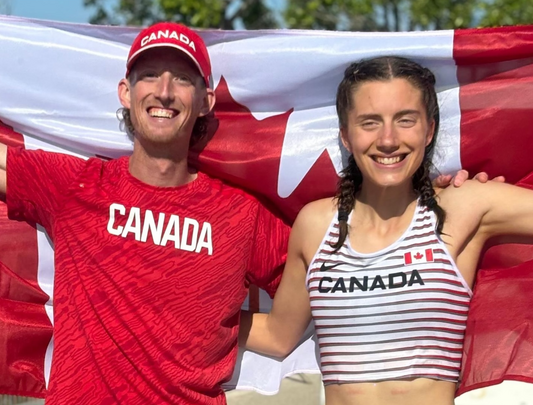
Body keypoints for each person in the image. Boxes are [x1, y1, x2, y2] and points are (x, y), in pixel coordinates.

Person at [0, 22, 496, 405]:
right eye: (148, 75)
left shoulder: (240, 215)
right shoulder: (75, 184)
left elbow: (343, 275)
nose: (164, 90)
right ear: (125, 94)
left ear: (206, 100)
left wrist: (418, 195)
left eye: (182, 79)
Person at [240, 55, 533, 405]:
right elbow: (277, 335)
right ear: (346, 136)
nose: (388, 139)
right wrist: (174, 313)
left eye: (405, 120)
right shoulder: (316, 224)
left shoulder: (463, 206)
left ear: (430, 130)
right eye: (369, 122)